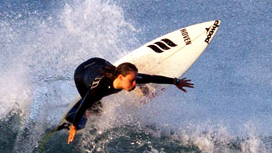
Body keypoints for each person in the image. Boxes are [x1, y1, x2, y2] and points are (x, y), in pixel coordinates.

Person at [59, 58, 193, 143]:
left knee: (143, 80)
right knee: (95, 109)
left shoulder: (125, 78)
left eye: (135, 80)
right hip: (81, 74)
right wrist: (74, 127)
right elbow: (82, 106)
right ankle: (89, 115)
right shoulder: (98, 90)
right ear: (121, 78)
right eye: (131, 81)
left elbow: (152, 77)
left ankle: (143, 89)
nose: (134, 83)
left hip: (98, 62)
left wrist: (175, 81)